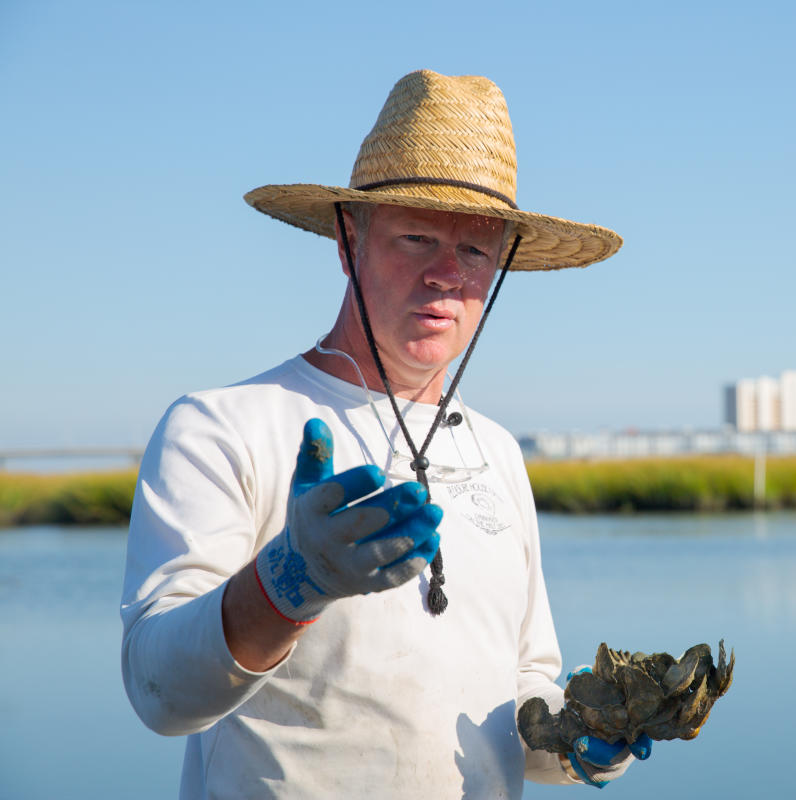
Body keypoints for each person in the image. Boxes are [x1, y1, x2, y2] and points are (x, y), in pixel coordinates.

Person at [121, 70, 649, 799]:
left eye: (474, 251)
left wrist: (587, 733)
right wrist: (287, 584)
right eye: (417, 237)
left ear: (498, 268)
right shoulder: (222, 427)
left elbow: (522, 689)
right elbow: (160, 694)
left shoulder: (494, 450)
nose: (445, 275)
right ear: (348, 240)